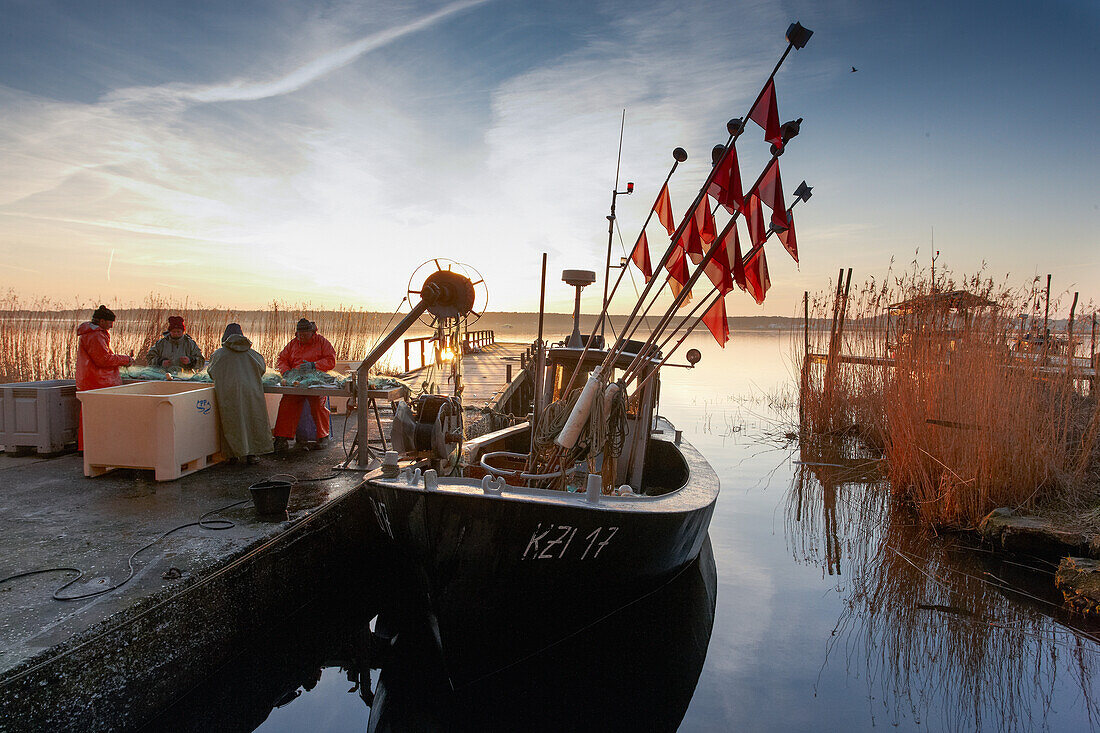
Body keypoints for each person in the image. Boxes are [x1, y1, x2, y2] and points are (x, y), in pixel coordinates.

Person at [207, 323, 273, 464]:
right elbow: (262, 369)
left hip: (229, 393)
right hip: (252, 392)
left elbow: (211, 373)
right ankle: (252, 454)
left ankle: (232, 455)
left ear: (225, 337)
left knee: (232, 424)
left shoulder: (219, 354)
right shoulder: (253, 354)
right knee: (253, 421)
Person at [272, 318, 337, 452]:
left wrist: (314, 365)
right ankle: (281, 438)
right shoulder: (293, 344)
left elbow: (331, 360)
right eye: (299, 334)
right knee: (286, 404)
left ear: (311, 332)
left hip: (315, 380)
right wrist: (286, 372)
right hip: (295, 381)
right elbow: (282, 359)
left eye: (304, 335)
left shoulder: (322, 342)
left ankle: (323, 436)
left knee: (318, 405)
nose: (301, 337)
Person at [75, 305, 133, 449]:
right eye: (109, 322)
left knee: (90, 416)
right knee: (99, 416)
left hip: (90, 380)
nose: (111, 326)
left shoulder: (91, 333)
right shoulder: (95, 335)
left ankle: (87, 447)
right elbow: (103, 359)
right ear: (101, 321)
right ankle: (95, 447)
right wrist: (126, 359)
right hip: (98, 381)